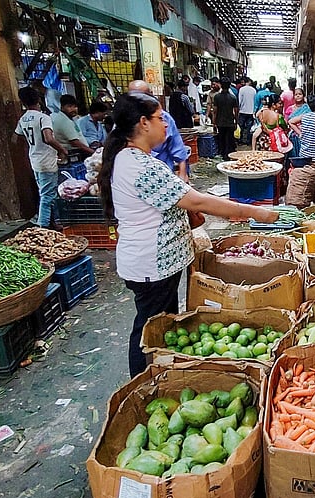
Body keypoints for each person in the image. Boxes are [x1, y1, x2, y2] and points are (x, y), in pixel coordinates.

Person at [97, 91, 279, 377]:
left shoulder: (131, 158)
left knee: (161, 324)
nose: (165, 124)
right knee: (149, 329)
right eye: (160, 118)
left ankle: (159, 374)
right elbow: (197, 201)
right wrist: (256, 213)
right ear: (143, 123)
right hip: (152, 264)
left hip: (154, 264)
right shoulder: (141, 166)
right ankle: (143, 381)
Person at [13, 87, 68, 228]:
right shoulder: (43, 118)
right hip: (46, 160)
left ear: (23, 102)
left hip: (35, 159)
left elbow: (15, 139)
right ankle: (42, 227)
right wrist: (62, 150)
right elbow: (48, 138)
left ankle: (53, 223)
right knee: (47, 196)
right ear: (38, 99)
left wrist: (31, 145)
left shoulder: (23, 119)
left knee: (46, 192)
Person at [128, 80, 189, 182]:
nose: (164, 124)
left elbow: (177, 147)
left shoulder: (164, 117)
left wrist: (182, 174)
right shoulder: (124, 121)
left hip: (163, 173)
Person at [52, 94, 94, 158]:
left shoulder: (68, 118)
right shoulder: (65, 121)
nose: (73, 109)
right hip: (73, 154)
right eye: (70, 106)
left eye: (75, 106)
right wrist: (93, 152)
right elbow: (75, 142)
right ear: (62, 107)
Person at [212, 78, 239, 158]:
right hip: (230, 122)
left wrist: (214, 123)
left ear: (221, 85)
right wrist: (236, 122)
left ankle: (223, 154)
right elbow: (236, 112)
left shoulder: (217, 97)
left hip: (220, 122)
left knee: (222, 139)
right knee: (229, 140)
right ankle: (228, 155)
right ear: (229, 86)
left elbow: (215, 111)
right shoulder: (233, 98)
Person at [237, 78, 257, 145]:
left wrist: (239, 109)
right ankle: (248, 141)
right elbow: (255, 101)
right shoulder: (253, 90)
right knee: (249, 127)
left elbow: (239, 100)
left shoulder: (241, 89)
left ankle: (240, 140)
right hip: (251, 111)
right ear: (249, 82)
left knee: (241, 127)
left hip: (243, 111)